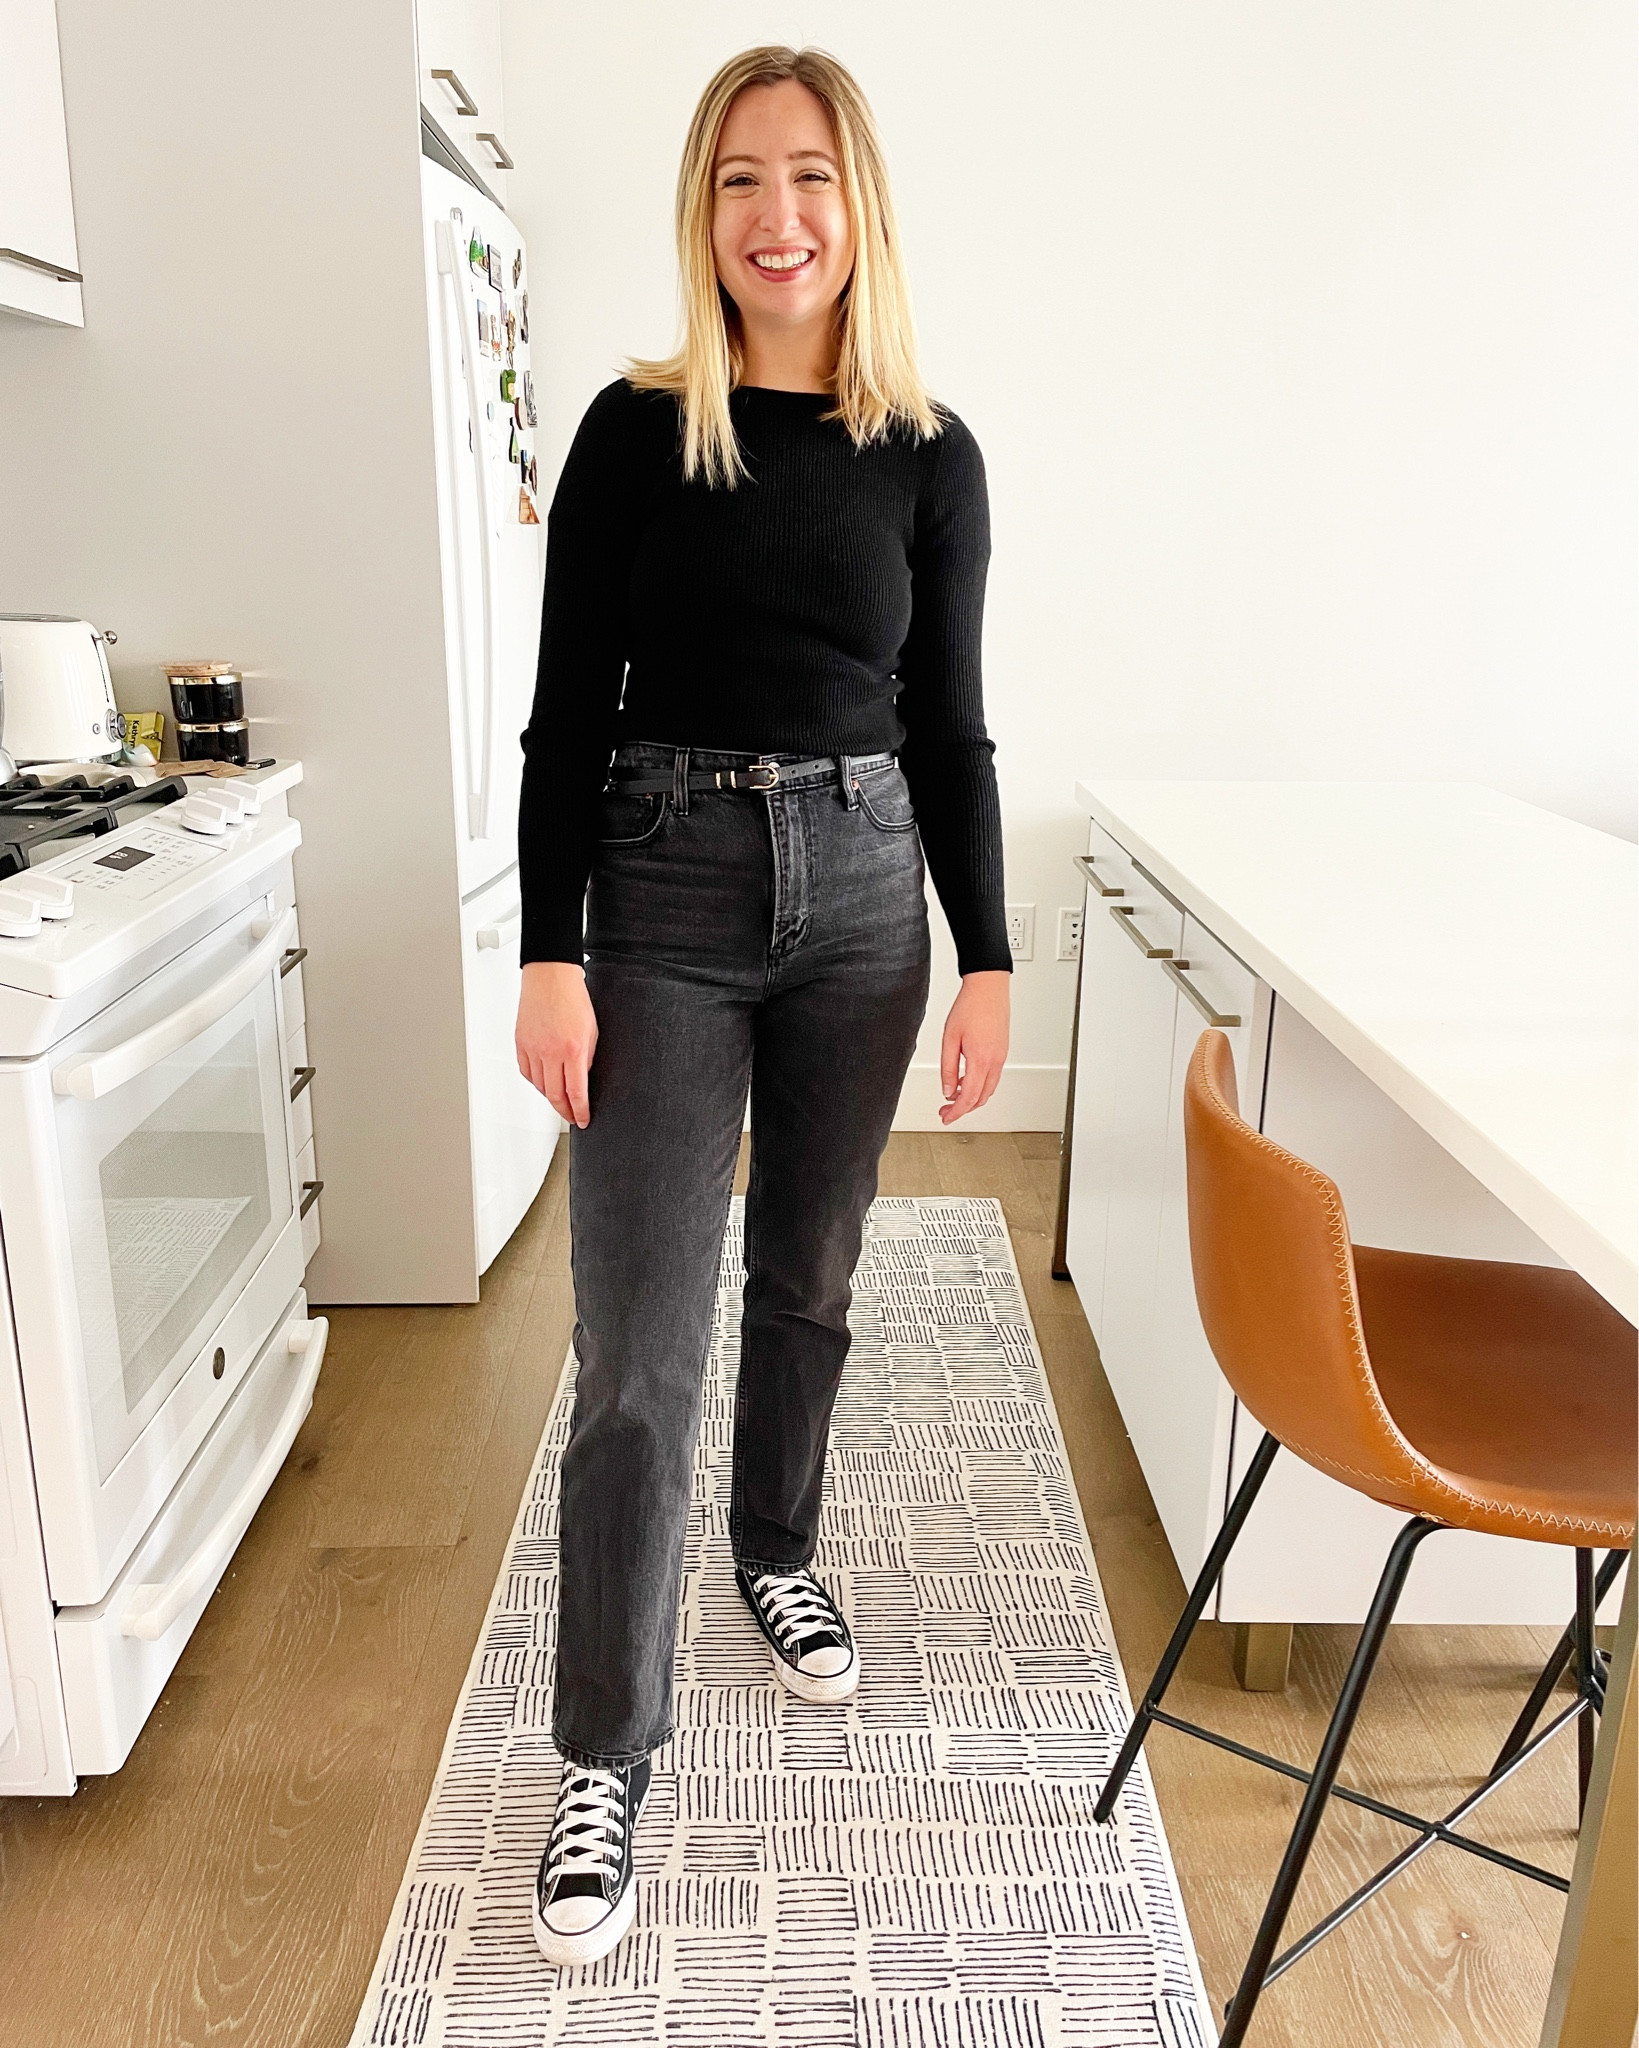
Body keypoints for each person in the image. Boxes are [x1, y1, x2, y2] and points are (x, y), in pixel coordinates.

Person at [513, 42, 1011, 1967]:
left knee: (811, 1268)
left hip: (873, 893)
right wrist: (546, 948)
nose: (775, 216)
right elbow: (568, 709)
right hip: (664, 885)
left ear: (858, 204)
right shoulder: (639, 434)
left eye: (807, 177)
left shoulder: (933, 453)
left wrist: (986, 951)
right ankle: (605, 1751)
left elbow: (955, 726)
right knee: (637, 1333)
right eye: (738, 180)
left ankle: (778, 1552)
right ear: (702, 213)